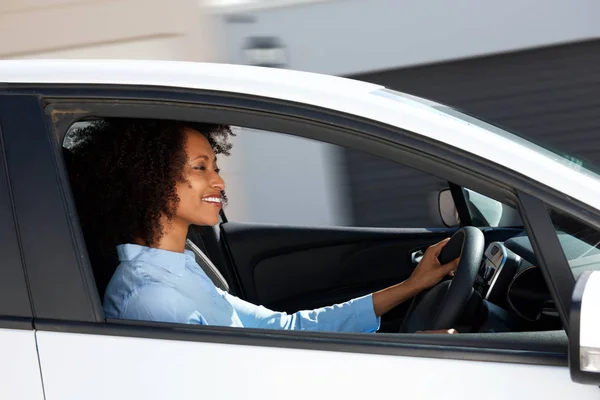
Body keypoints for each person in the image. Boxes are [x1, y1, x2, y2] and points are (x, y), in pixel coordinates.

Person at [66, 118, 459, 333]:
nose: (219, 182)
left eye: (215, 167)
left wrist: (412, 286)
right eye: (200, 168)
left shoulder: (180, 269)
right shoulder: (152, 300)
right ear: (148, 181)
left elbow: (282, 327)